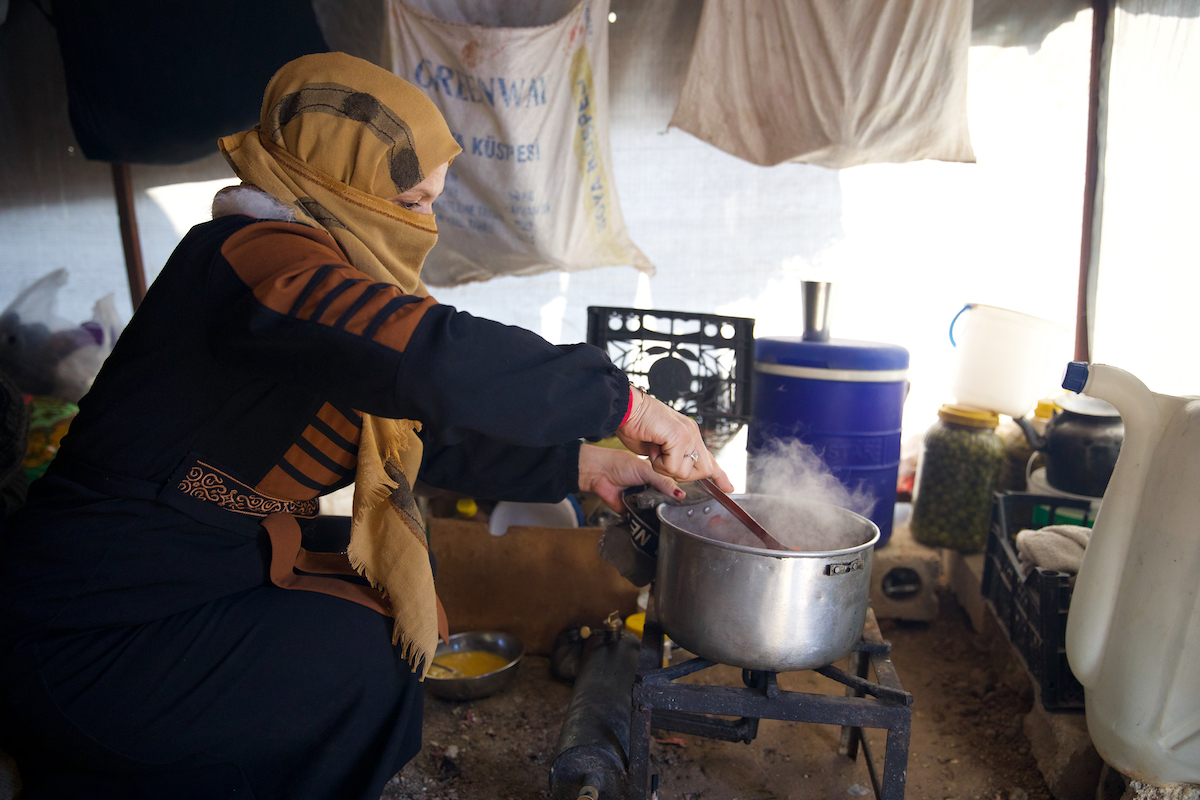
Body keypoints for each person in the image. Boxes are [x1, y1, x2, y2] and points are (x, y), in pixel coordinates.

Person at [0, 52, 732, 799]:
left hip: (183, 570)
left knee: (381, 577)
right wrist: (630, 407)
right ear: (331, 182)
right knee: (368, 650)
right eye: (410, 202)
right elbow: (430, 361)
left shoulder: (303, 277)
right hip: (88, 624)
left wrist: (585, 465)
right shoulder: (254, 264)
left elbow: (417, 426)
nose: (427, 226)